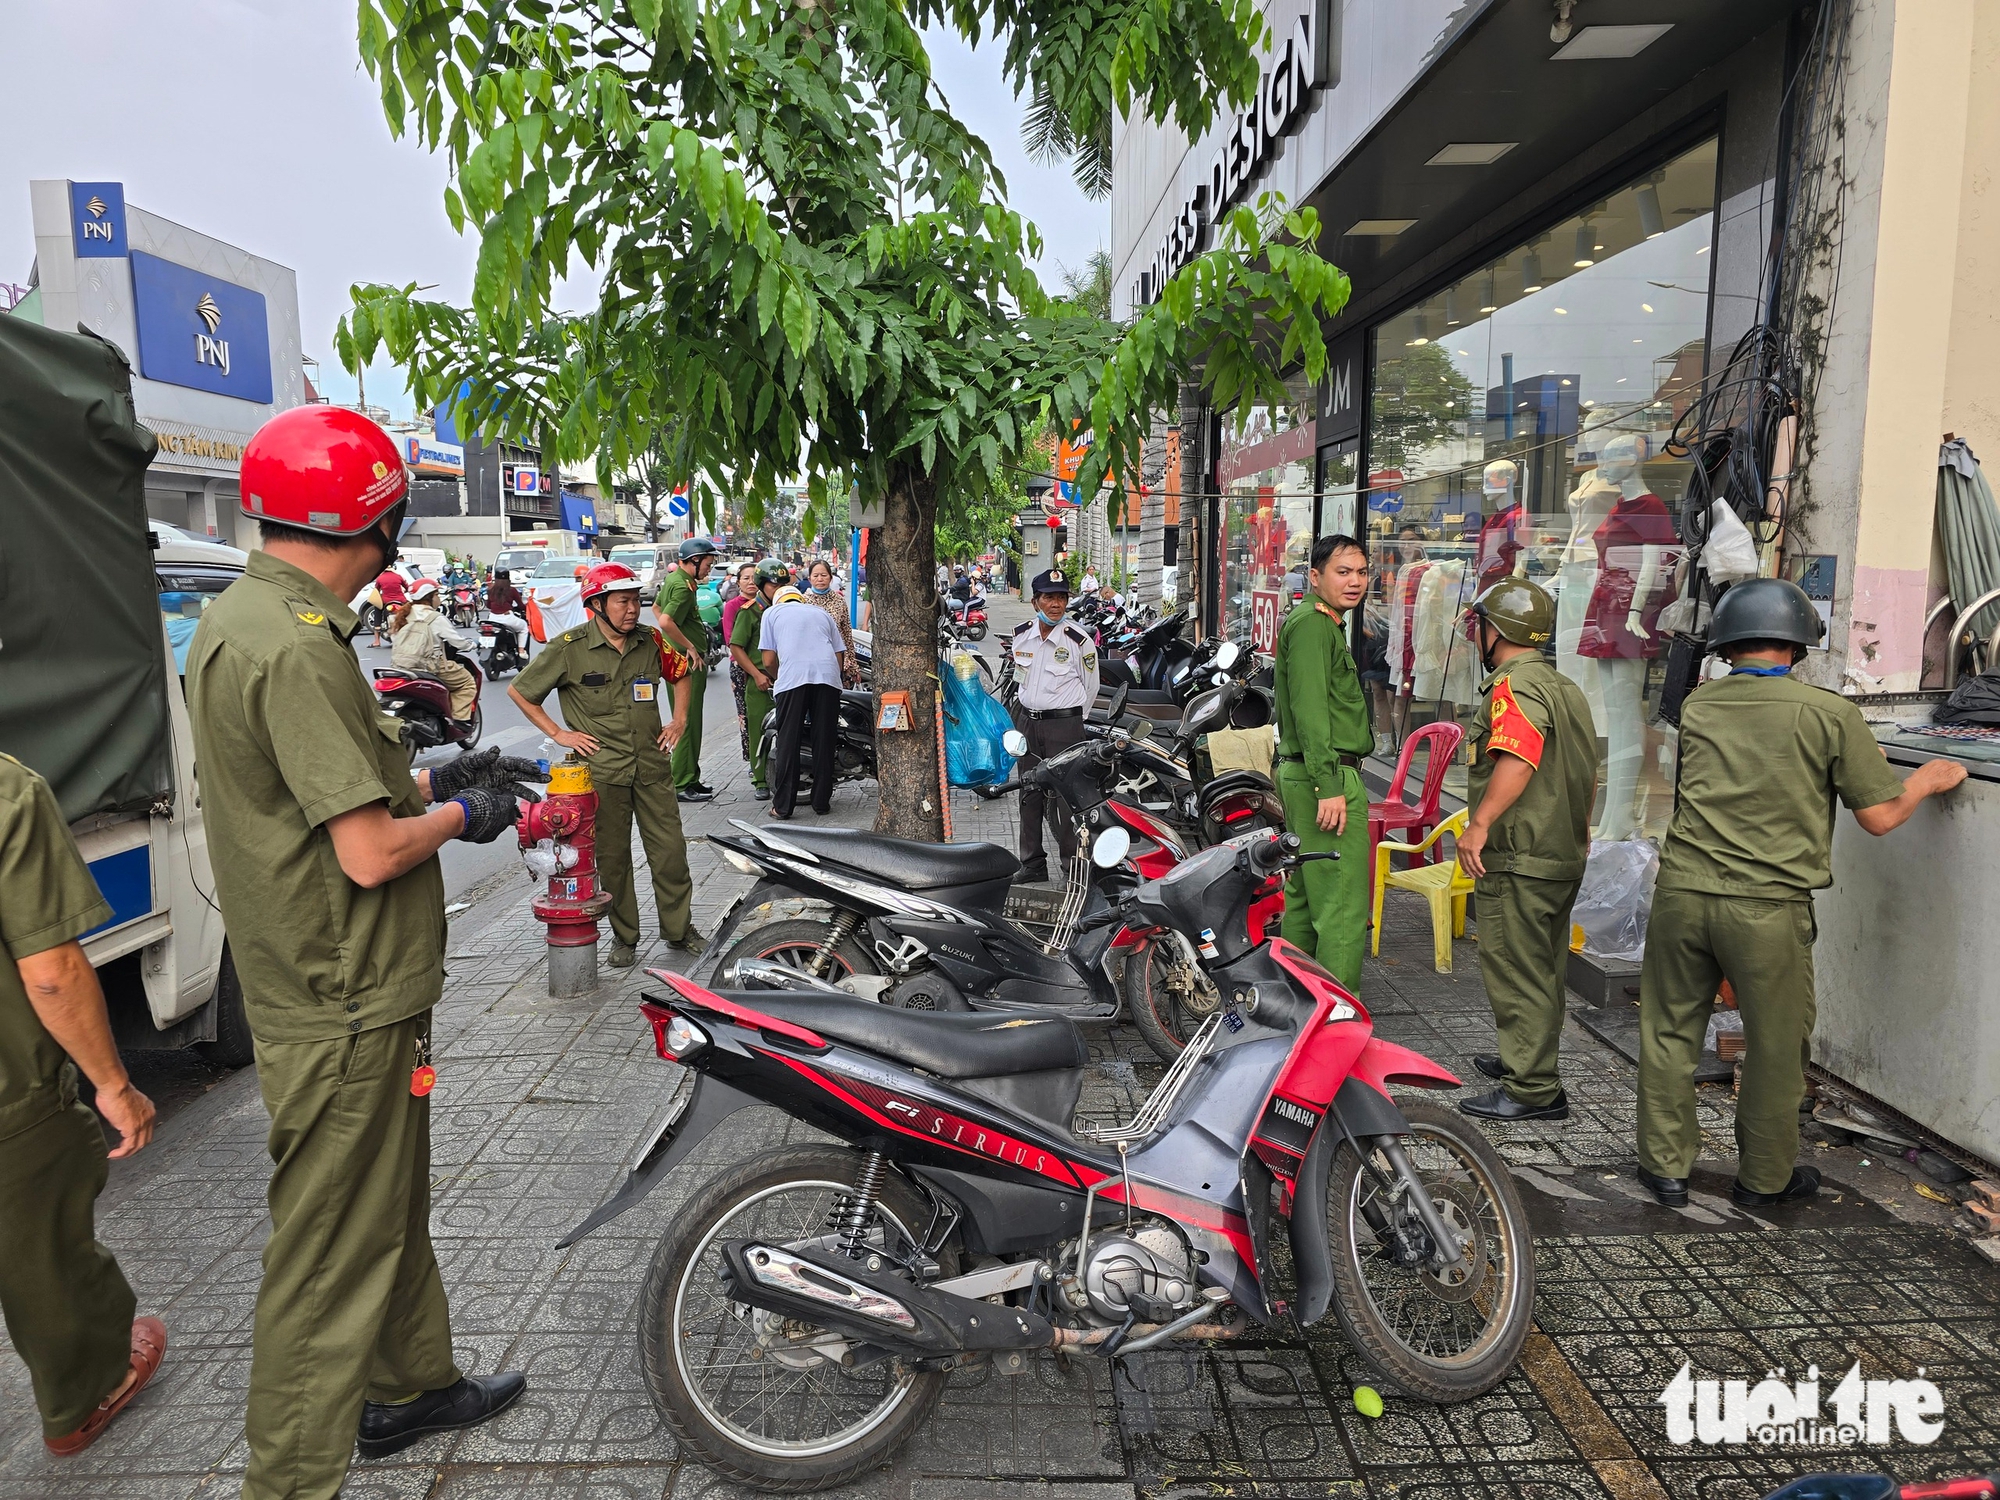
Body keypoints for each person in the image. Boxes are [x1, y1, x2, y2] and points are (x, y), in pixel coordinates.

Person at [185, 405, 534, 1498]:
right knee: (331, 1247)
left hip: (339, 986)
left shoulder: (246, 619)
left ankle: (409, 1383)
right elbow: (372, 853)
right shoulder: (294, 650)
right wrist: (461, 822)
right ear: (368, 525)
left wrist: (440, 782)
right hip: (341, 996)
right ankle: (288, 1477)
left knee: (384, 1197)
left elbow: (330, 800)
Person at [1635, 577, 1967, 1209]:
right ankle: (1763, 1178)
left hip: (1682, 893)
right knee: (1775, 1042)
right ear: (1798, 646)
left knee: (1670, 1030)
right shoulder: (1829, 714)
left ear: (1729, 646)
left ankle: (1664, 1169)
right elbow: (1880, 817)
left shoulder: (1700, 707)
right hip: (1767, 909)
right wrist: (1925, 781)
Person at [0, 753, 167, 1458]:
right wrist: (113, 1084)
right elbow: (51, 972)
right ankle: (87, 1392)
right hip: (10, 1100)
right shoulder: (8, 790)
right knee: (44, 1253)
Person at [1451, 578, 1596, 1123]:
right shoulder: (1565, 687)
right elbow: (1588, 776)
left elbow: (1520, 756)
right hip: (1558, 854)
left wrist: (1479, 824)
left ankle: (1532, 1087)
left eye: (1480, 625)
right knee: (1544, 968)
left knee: (1517, 970)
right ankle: (1530, 1061)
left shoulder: (1513, 688)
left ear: (1497, 631)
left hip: (1521, 855)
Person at [510, 563, 699, 967]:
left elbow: (681, 673)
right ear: (597, 604)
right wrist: (560, 734)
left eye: (636, 600)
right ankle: (624, 937)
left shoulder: (651, 641)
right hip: (602, 773)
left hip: (651, 766)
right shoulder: (568, 647)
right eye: (623, 601)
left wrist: (679, 719)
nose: (633, 609)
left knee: (670, 853)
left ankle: (680, 931)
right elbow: (521, 691)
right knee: (613, 860)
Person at [1272, 534, 1373, 992]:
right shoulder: (1314, 625)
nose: (1355, 581)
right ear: (1315, 577)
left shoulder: (1322, 623)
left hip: (1308, 774)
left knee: (1307, 899)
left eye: (1361, 572)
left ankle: (1301, 1005)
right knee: (1342, 908)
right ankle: (1339, 1022)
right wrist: (1328, 784)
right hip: (1323, 776)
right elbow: (1312, 713)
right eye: (1343, 571)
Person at [1008, 569, 1099, 882]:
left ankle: (1072, 868)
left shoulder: (1078, 640)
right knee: (1028, 795)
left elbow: (1091, 687)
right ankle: (1032, 865)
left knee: (1066, 800)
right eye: (1049, 597)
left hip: (1065, 727)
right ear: (1036, 602)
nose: (1056, 604)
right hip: (1028, 725)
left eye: (1061, 597)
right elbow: (1020, 677)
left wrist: (1073, 720)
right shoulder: (1021, 635)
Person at [759, 584, 847, 818]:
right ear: (800, 600)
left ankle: (783, 807)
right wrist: (832, 679)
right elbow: (839, 654)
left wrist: (781, 676)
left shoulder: (771, 613)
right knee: (825, 740)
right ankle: (821, 803)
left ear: (778, 601)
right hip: (827, 679)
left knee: (789, 741)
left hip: (792, 681)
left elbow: (768, 660)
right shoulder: (821, 613)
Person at [654, 538, 719, 802]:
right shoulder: (681, 586)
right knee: (686, 722)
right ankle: (681, 782)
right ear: (694, 560)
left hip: (680, 659)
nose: (709, 570)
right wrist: (689, 647)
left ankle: (690, 777)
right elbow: (666, 620)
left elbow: (657, 608)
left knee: (692, 721)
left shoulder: (676, 580)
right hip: (686, 661)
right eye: (707, 564)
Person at [730, 561, 788, 800]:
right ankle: (760, 779)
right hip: (760, 682)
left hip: (785, 679)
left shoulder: (788, 608)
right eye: (774, 584)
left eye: (783, 584)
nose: (779, 589)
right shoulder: (750, 611)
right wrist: (756, 674)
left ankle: (785, 776)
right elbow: (736, 646)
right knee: (759, 731)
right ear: (763, 585)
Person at [390, 579, 480, 721]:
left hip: (400, 667)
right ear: (429, 597)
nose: (438, 598)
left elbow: (395, 640)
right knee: (467, 682)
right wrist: (473, 645)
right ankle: (459, 720)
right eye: (437, 595)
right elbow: (458, 642)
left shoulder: (402, 615)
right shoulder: (435, 618)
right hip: (429, 666)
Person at [721, 562, 761, 757]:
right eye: (746, 578)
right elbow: (731, 640)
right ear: (738, 582)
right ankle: (751, 755)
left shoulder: (766, 604)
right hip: (740, 665)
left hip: (765, 665)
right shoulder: (732, 606)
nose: (751, 582)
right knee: (745, 711)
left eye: (754, 577)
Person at [803, 558, 859, 686]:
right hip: (810, 663)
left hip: (836, 661)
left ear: (830, 578)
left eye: (824, 575)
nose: (820, 579)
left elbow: (846, 633)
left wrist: (853, 664)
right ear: (810, 579)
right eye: (816, 576)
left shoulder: (839, 601)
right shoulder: (802, 601)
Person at [485, 567, 528, 660]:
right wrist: (527, 608)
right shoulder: (512, 590)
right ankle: (521, 650)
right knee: (524, 627)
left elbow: (488, 605)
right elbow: (520, 605)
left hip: (492, 619)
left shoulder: (490, 589)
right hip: (507, 618)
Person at [372, 565, 407, 646]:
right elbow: (407, 587)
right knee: (409, 611)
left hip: (386, 602)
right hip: (401, 600)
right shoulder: (399, 577)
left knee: (377, 610)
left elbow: (376, 590)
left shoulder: (380, 578)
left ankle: (377, 641)